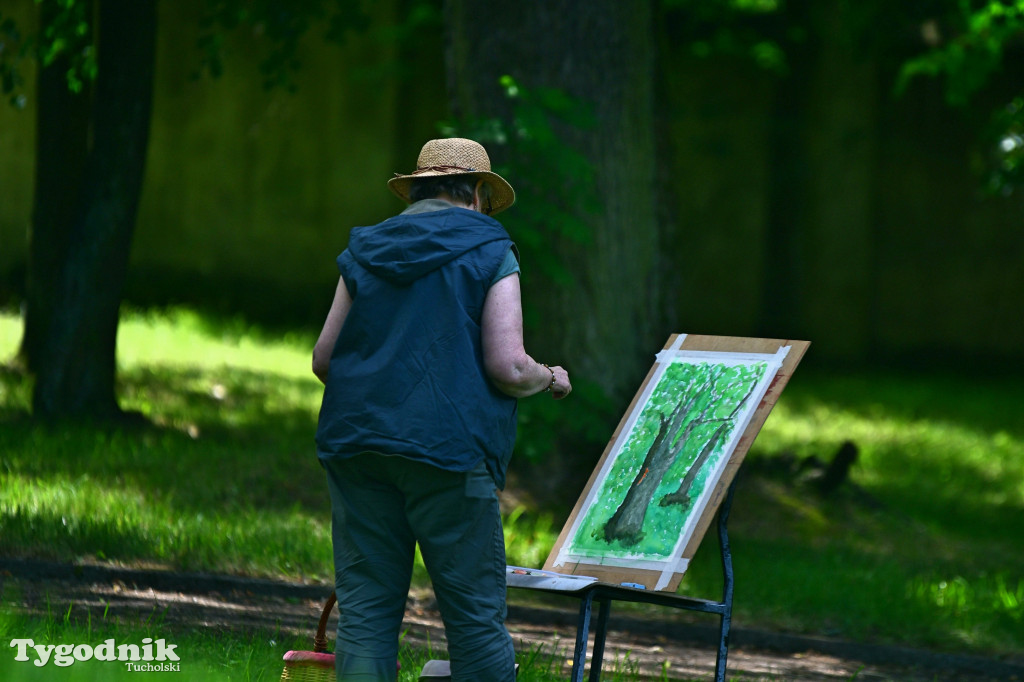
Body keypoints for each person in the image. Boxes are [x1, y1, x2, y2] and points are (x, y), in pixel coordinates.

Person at [312, 137, 571, 682]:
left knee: (364, 616)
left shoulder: (366, 247)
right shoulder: (489, 246)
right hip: (447, 453)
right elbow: (508, 365)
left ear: (418, 189)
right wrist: (550, 378)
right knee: (473, 620)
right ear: (477, 192)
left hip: (356, 445)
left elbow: (324, 359)